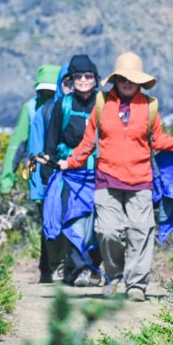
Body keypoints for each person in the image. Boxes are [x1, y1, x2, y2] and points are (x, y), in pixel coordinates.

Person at [59, 52, 173, 301]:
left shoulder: (150, 106)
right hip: (106, 179)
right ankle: (113, 275)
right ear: (116, 80)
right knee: (108, 232)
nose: (127, 82)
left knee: (141, 231)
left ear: (139, 81)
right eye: (123, 78)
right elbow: (88, 142)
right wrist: (71, 162)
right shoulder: (101, 102)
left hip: (141, 180)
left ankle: (136, 285)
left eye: (132, 78)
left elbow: (157, 140)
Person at [40, 54, 103, 287]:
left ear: (95, 79)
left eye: (88, 76)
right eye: (79, 76)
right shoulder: (62, 105)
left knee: (97, 223)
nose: (84, 80)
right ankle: (78, 270)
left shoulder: (104, 104)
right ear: (71, 79)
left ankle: (95, 267)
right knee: (72, 220)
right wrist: (49, 170)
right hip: (70, 173)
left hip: (98, 172)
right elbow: (51, 142)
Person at [0, 63, 62, 283]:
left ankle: (58, 266)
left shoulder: (67, 105)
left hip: (63, 169)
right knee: (47, 217)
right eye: (44, 90)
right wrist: (7, 177)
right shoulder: (30, 108)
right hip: (38, 172)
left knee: (63, 216)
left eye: (51, 90)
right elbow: (17, 144)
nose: (48, 94)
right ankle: (47, 268)